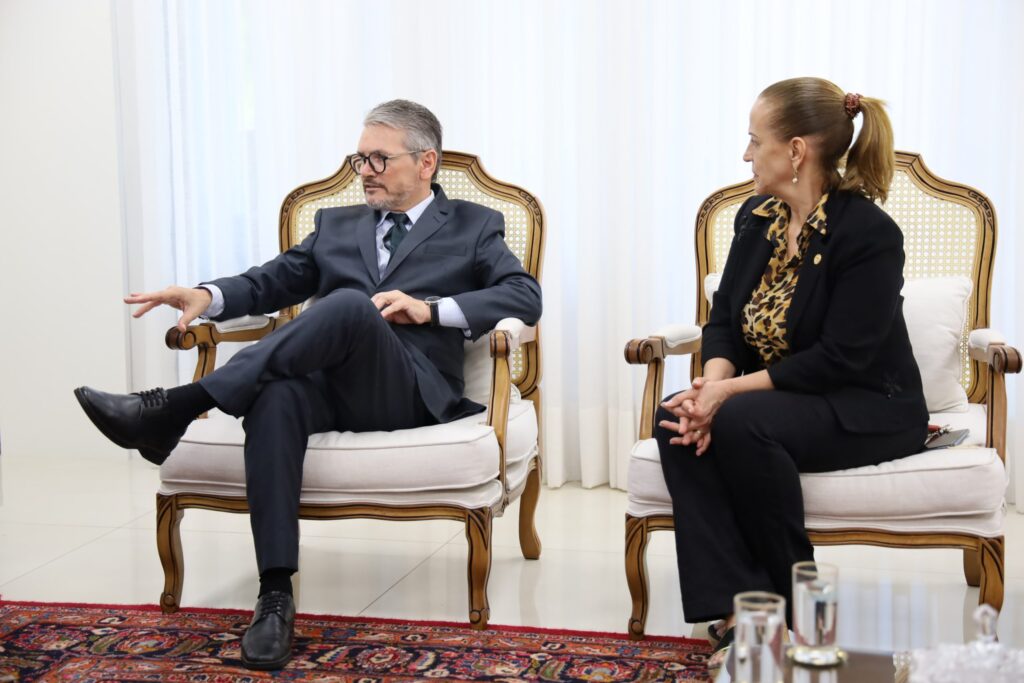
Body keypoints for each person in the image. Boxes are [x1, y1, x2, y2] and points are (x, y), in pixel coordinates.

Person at [74, 100, 542, 671]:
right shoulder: (336, 225)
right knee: (276, 394)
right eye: (358, 157)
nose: (363, 170)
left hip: (410, 391)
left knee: (347, 305)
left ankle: (176, 408)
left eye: (378, 157)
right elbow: (272, 281)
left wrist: (429, 308)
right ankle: (275, 599)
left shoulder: (473, 224)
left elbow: (524, 295)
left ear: (426, 163)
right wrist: (208, 296)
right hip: (329, 389)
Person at [655, 77, 928, 667]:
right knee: (674, 416)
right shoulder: (756, 217)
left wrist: (727, 394)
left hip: (868, 404)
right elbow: (723, 319)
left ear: (797, 150)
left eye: (755, 141)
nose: (745, 155)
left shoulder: (869, 235)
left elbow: (840, 359)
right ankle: (735, 609)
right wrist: (710, 387)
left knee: (743, 422)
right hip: (785, 400)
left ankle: (794, 611)